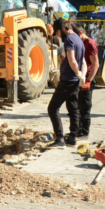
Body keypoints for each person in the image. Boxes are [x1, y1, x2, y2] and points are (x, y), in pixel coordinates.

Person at [45, 18, 86, 146]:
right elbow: (83, 62)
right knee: (73, 108)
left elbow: (72, 60)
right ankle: (73, 137)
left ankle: (60, 139)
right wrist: (82, 75)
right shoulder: (79, 39)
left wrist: (78, 74)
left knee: (53, 108)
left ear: (63, 28)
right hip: (75, 81)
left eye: (57, 32)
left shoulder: (69, 39)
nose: (57, 36)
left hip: (68, 80)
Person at [74, 24, 99, 138]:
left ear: (80, 33)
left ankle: (85, 132)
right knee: (78, 106)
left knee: (85, 107)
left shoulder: (90, 43)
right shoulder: (78, 42)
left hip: (87, 77)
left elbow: (96, 64)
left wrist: (89, 80)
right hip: (80, 77)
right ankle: (77, 130)